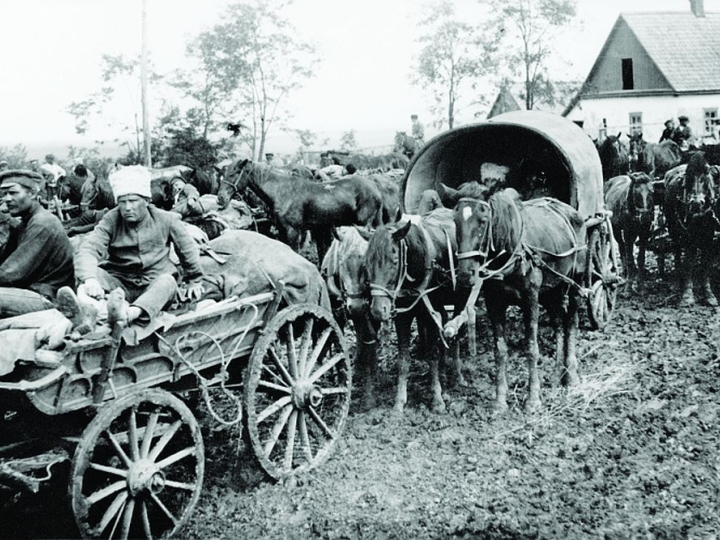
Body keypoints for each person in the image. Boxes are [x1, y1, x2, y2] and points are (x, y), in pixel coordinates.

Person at [75, 165, 204, 326]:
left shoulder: (166, 219)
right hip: (121, 283)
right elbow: (89, 248)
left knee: (168, 281)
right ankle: (89, 312)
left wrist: (194, 279)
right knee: (89, 274)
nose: (128, 207)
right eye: (122, 202)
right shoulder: (111, 219)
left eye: (133, 201)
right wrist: (90, 279)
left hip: (154, 285)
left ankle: (128, 313)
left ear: (147, 201)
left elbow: (187, 249)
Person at [0, 170, 75, 318]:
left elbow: (9, 274)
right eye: (4, 194)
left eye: (13, 193)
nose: (7, 199)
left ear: (33, 194)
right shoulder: (24, 222)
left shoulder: (42, 223)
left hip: (48, 297)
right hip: (31, 291)